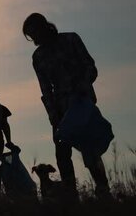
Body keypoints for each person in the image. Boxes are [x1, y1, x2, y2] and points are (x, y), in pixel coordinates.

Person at [23, 13, 110, 198]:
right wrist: (52, 114)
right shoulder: (38, 57)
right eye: (30, 35)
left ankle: (103, 191)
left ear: (43, 27)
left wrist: (82, 86)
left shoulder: (71, 39)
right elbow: (45, 89)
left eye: (34, 33)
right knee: (62, 155)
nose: (34, 39)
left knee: (90, 150)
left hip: (81, 104)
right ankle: (71, 196)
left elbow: (90, 66)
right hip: (60, 111)